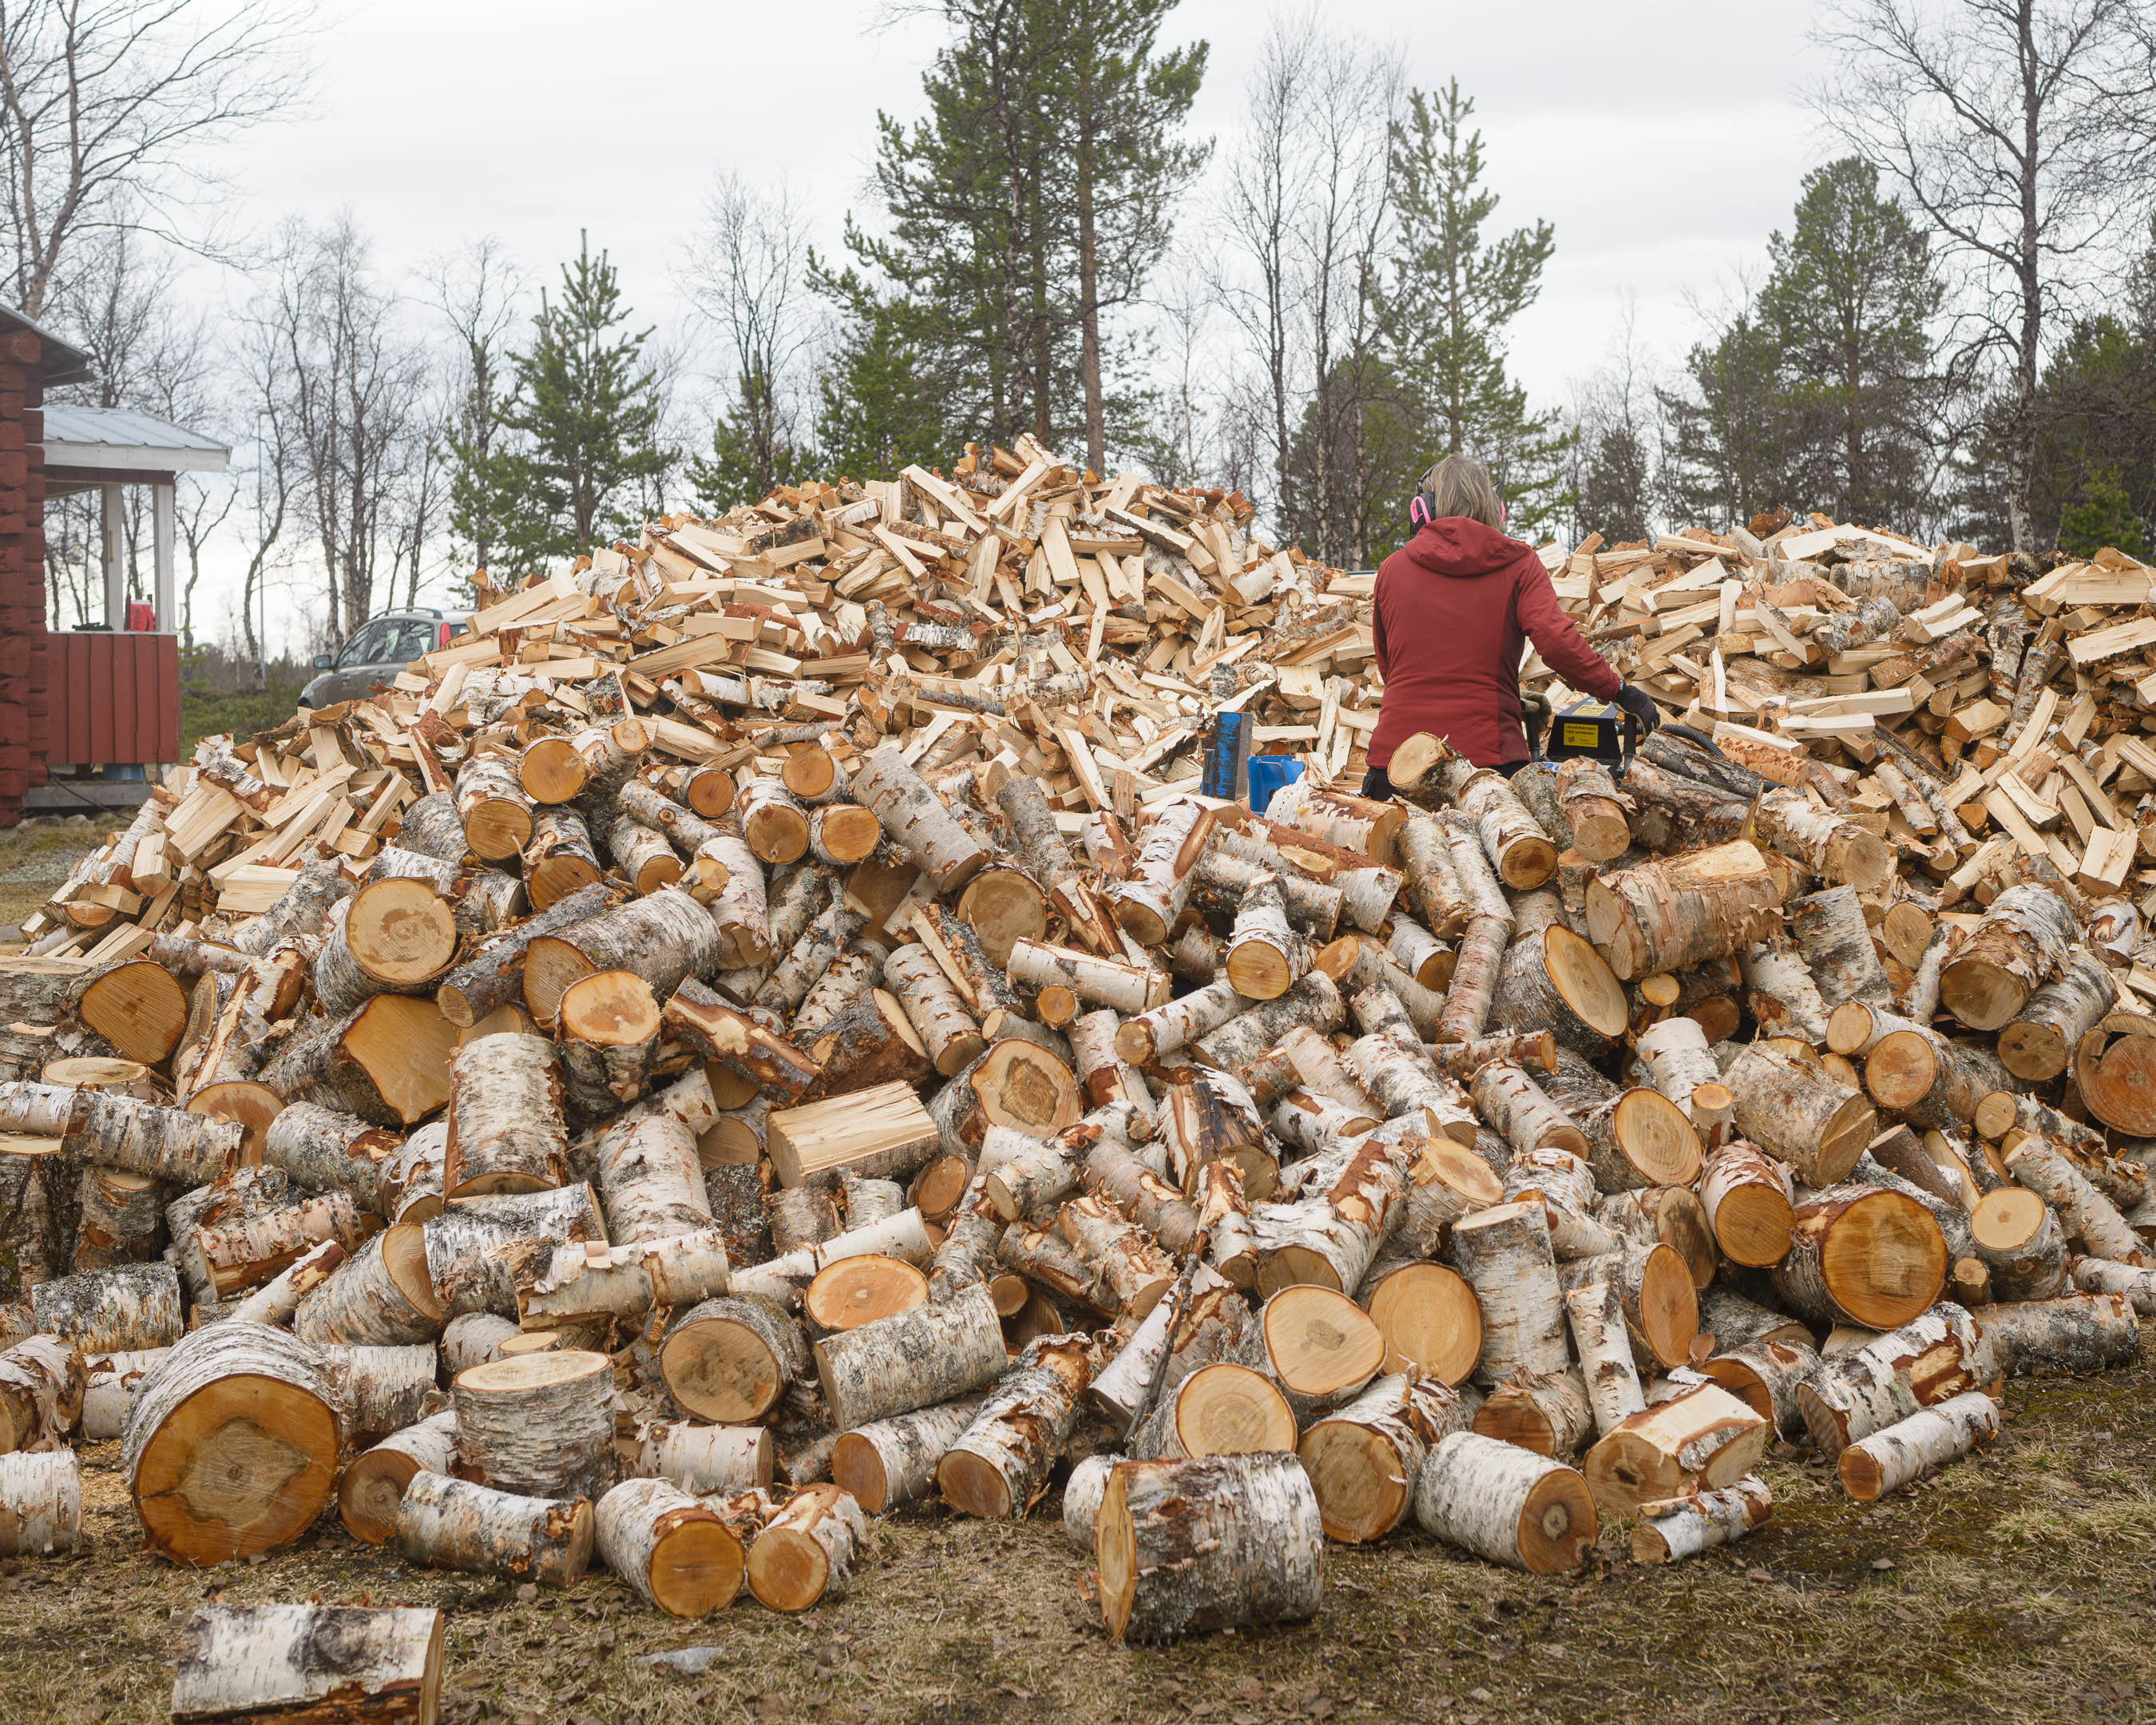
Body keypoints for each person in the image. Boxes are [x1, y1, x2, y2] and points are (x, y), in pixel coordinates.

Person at [1363, 454, 1659, 797]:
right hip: (1486, 767)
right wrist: (1620, 691)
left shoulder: (1392, 570)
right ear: (1496, 509)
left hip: (1396, 766)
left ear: (1423, 510)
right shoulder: (1519, 565)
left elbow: (1391, 668)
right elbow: (1557, 644)